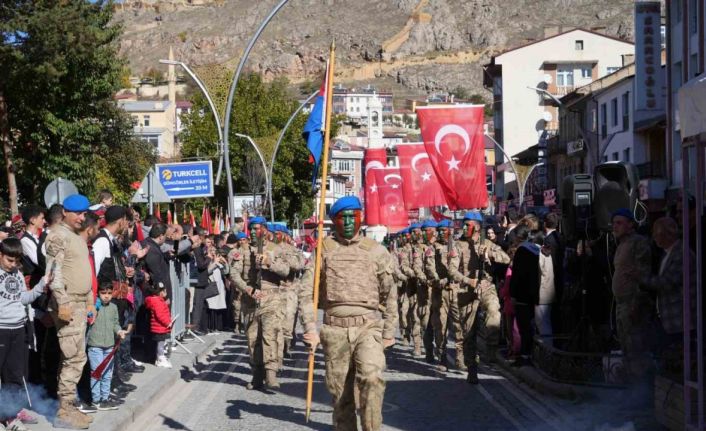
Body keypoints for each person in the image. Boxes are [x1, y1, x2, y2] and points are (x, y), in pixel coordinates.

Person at [297, 196, 397, 431]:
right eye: (344, 218)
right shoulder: (323, 250)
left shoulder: (376, 252)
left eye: (355, 217)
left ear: (362, 219)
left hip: (368, 328)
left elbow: (390, 293)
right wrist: (310, 329)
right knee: (341, 396)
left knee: (372, 380)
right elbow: (306, 293)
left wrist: (389, 331)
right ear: (334, 221)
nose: (350, 222)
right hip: (335, 330)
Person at [45, 194, 95, 429]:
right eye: (79, 213)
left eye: (85, 213)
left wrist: (88, 301)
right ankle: (65, 411)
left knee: (75, 357)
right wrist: (63, 303)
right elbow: (53, 275)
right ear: (66, 212)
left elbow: (82, 272)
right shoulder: (58, 236)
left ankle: (68, 407)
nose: (83, 218)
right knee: (73, 357)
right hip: (68, 305)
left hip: (78, 303)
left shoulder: (75, 237)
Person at [0, 238, 51, 429]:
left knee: (14, 375)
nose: (13, 265)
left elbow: (24, 298)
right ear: (0, 255)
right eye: (9, 260)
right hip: (1, 330)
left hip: (18, 330)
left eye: (16, 261)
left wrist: (41, 286)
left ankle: (10, 414)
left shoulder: (18, 274)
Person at [640, 217, 693, 371]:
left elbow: (667, 282)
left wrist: (640, 278)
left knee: (674, 359)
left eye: (657, 234)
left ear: (668, 235)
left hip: (679, 317)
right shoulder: (667, 254)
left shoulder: (681, 254)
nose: (655, 238)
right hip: (667, 316)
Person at [610, 208, 652, 380]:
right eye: (614, 223)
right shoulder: (620, 245)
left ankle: (641, 387)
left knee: (636, 348)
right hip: (621, 304)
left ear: (630, 224)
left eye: (619, 223)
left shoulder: (638, 243)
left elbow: (643, 276)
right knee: (626, 347)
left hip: (632, 303)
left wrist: (636, 302)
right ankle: (632, 388)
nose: (615, 227)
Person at [425, 219, 465, 371]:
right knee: (440, 326)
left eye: (445, 230)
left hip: (456, 291)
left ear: (451, 231)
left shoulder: (458, 247)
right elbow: (429, 267)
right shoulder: (432, 248)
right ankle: (442, 357)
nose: (442, 232)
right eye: (439, 230)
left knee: (459, 325)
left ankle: (460, 357)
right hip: (440, 292)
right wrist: (438, 279)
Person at [87, 282, 126, 410]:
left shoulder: (113, 307)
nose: (106, 296)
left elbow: (115, 323)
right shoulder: (93, 306)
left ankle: (105, 398)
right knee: (97, 372)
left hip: (109, 346)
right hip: (95, 345)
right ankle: (96, 400)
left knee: (107, 374)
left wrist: (119, 331)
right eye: (103, 293)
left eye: (109, 293)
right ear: (98, 293)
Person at [144, 282, 172, 368]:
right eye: (165, 291)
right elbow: (160, 315)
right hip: (159, 327)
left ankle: (159, 358)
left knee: (160, 343)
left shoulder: (157, 301)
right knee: (160, 344)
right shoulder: (158, 302)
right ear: (161, 292)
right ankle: (160, 359)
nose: (166, 292)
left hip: (159, 327)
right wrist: (168, 322)